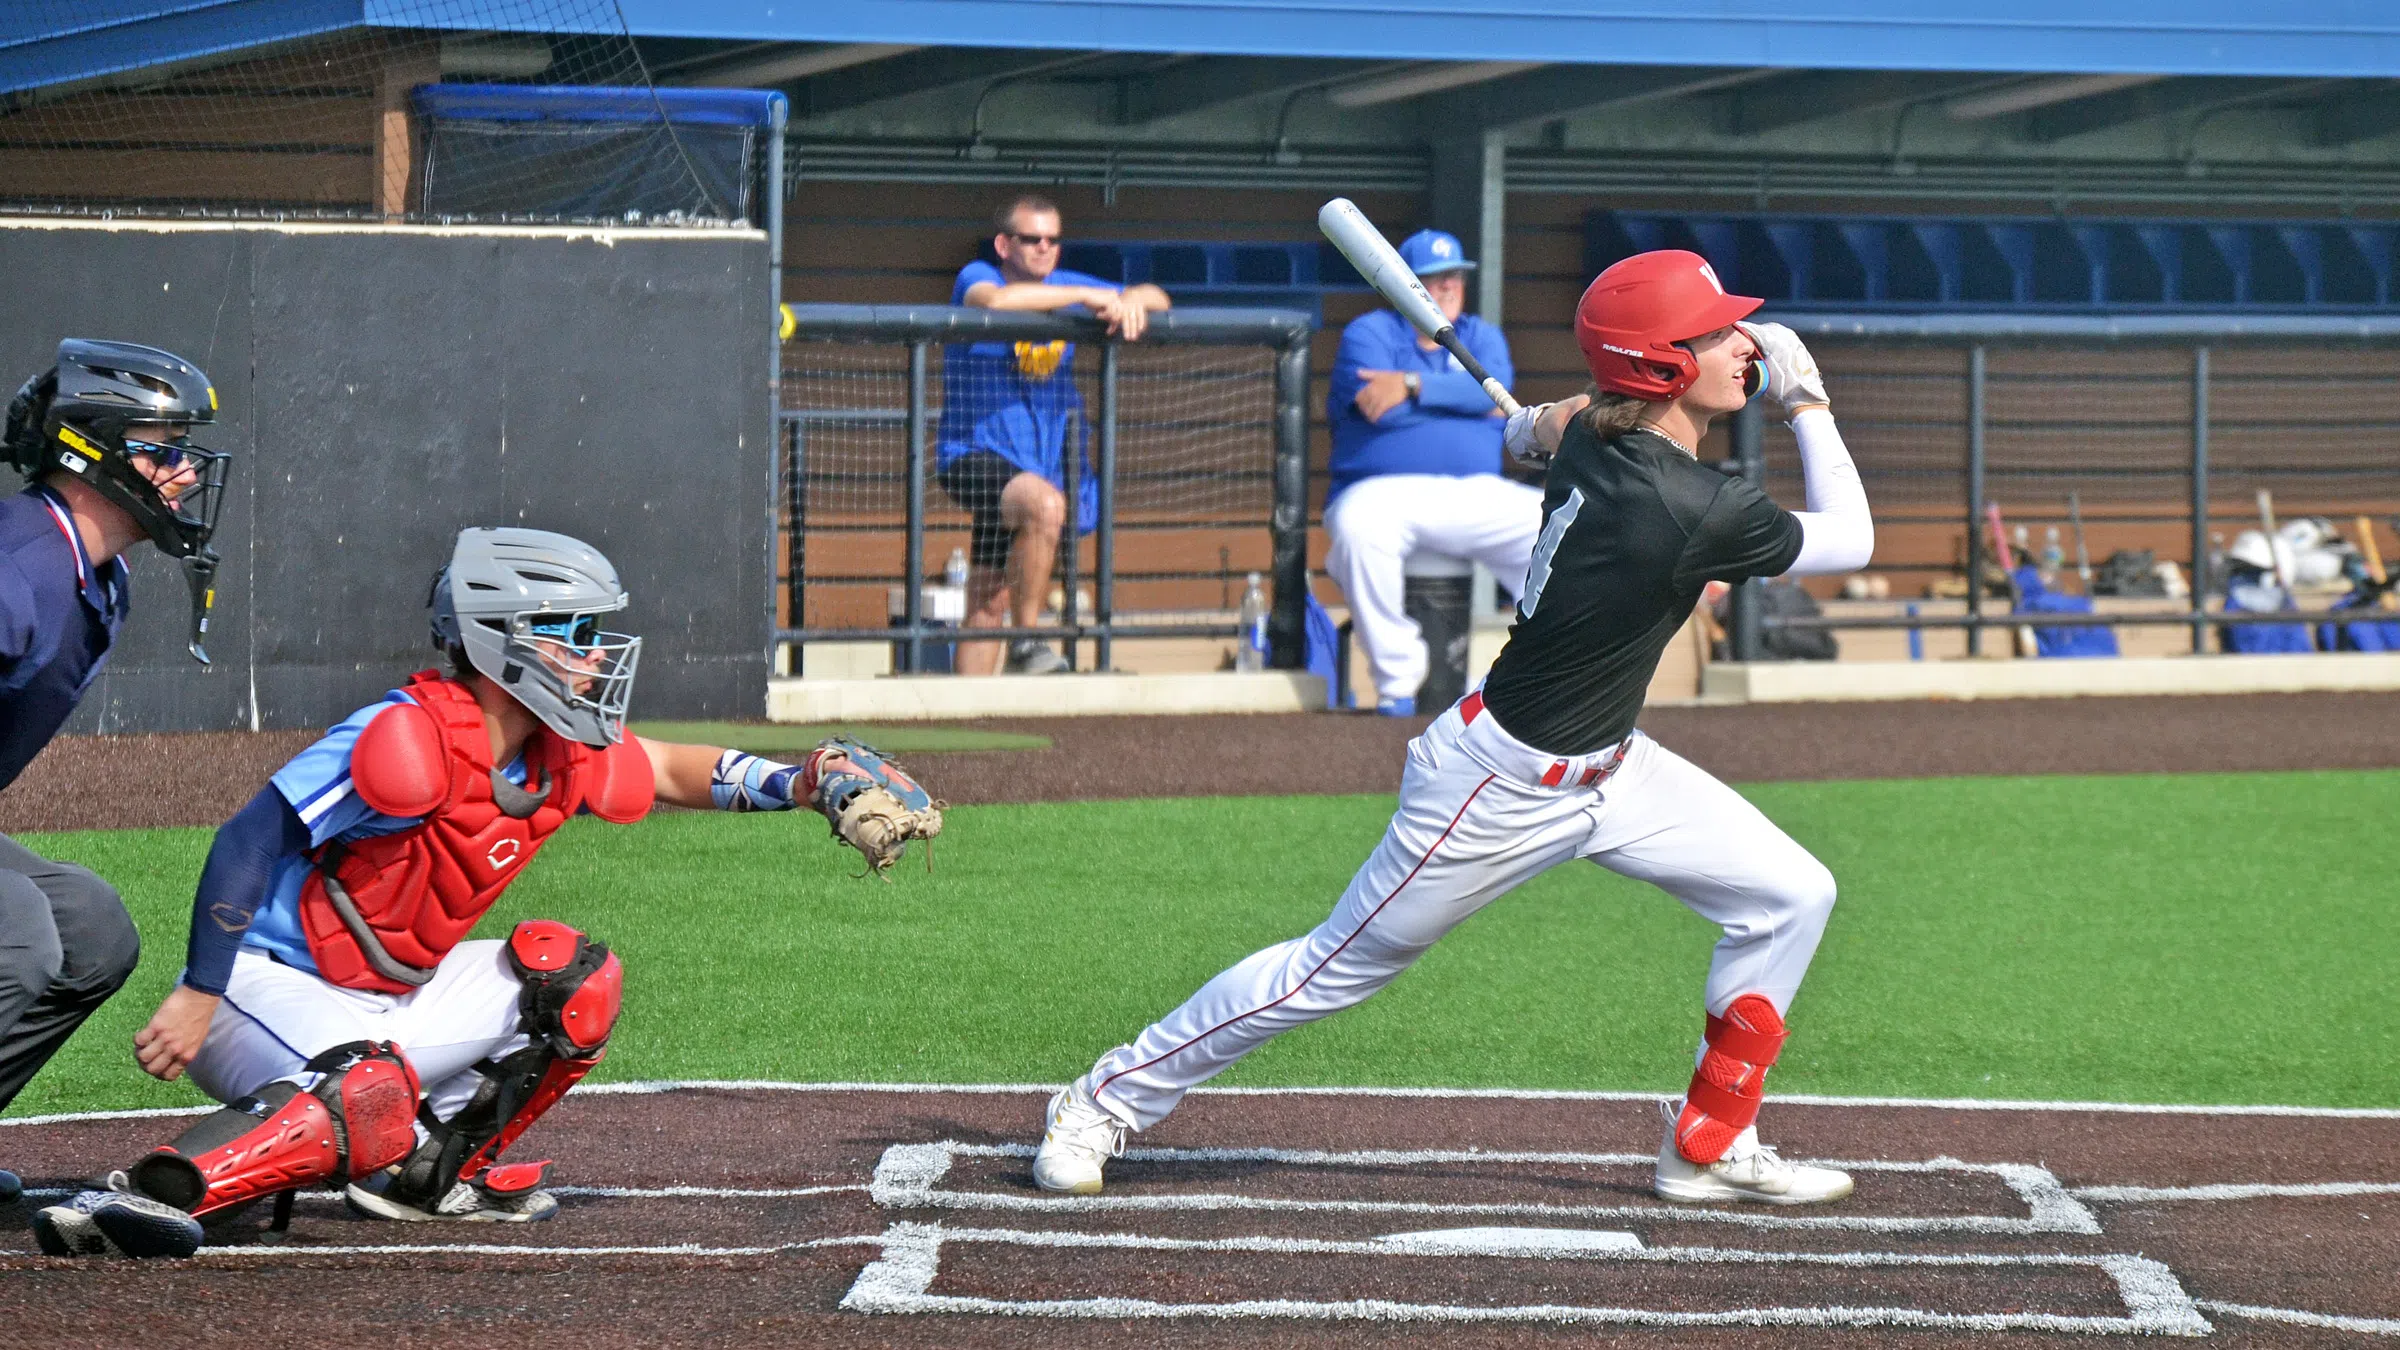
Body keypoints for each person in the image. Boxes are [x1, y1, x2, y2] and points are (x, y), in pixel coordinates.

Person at [1031, 250, 1876, 1207]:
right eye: (1716, 333)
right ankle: (1100, 1100)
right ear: (1660, 366)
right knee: (1328, 972)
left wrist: (1526, 426)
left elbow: (1557, 421)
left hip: (1613, 768)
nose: (1748, 344)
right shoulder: (1690, 503)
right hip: (1496, 786)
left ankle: (1710, 1141)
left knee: (1790, 894)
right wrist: (1807, 401)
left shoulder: (1595, 430)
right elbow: (1854, 540)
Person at [32, 527, 942, 1259]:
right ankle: (147, 1196)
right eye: (576, 636)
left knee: (573, 980)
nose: (596, 658)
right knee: (365, 1091)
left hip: (386, 999)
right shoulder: (407, 735)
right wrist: (199, 990)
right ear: (509, 641)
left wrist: (801, 784)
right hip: (259, 988)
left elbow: (668, 768)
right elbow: (249, 837)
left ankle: (423, 1175)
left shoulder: (556, 748)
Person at [0, 339, 232, 1207]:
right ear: (88, 451)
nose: (185, 472)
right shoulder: (16, 570)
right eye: (162, 449)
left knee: (91, 928)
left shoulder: (97, 575)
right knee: (18, 931)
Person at [940, 194, 1171, 675]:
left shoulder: (1064, 284)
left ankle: (965, 709)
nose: (1044, 248)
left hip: (1033, 466)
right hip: (971, 455)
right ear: (1004, 245)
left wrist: (1129, 300)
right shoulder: (978, 275)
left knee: (988, 597)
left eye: (1052, 239)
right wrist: (1086, 296)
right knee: (1045, 506)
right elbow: (997, 302)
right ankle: (1026, 643)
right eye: (1031, 239)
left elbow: (1158, 297)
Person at [1325, 228, 1542, 716]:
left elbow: (1498, 391)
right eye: (1431, 278)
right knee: (1359, 530)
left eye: (1454, 277)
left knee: (1552, 527)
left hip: (1477, 493)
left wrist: (1410, 384)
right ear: (1401, 286)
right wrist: (1467, 404)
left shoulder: (1481, 335)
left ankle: (1547, 672)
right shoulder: (1370, 332)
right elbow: (1381, 411)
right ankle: (1397, 681)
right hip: (1380, 493)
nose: (1446, 286)